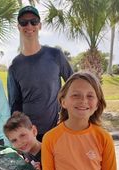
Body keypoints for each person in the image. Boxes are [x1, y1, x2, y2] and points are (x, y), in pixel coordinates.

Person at [41, 71, 117, 170]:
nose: (83, 100)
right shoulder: (50, 138)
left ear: (97, 104)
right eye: (76, 95)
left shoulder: (104, 139)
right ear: (63, 101)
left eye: (90, 96)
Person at [7, 5, 73, 142]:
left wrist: (67, 116)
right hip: (30, 136)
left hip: (56, 130)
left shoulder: (55, 55)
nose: (29, 25)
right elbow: (15, 104)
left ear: (40, 25)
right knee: (33, 165)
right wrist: (18, 136)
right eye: (24, 22)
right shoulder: (15, 66)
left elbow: (74, 84)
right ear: (18, 27)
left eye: (34, 21)